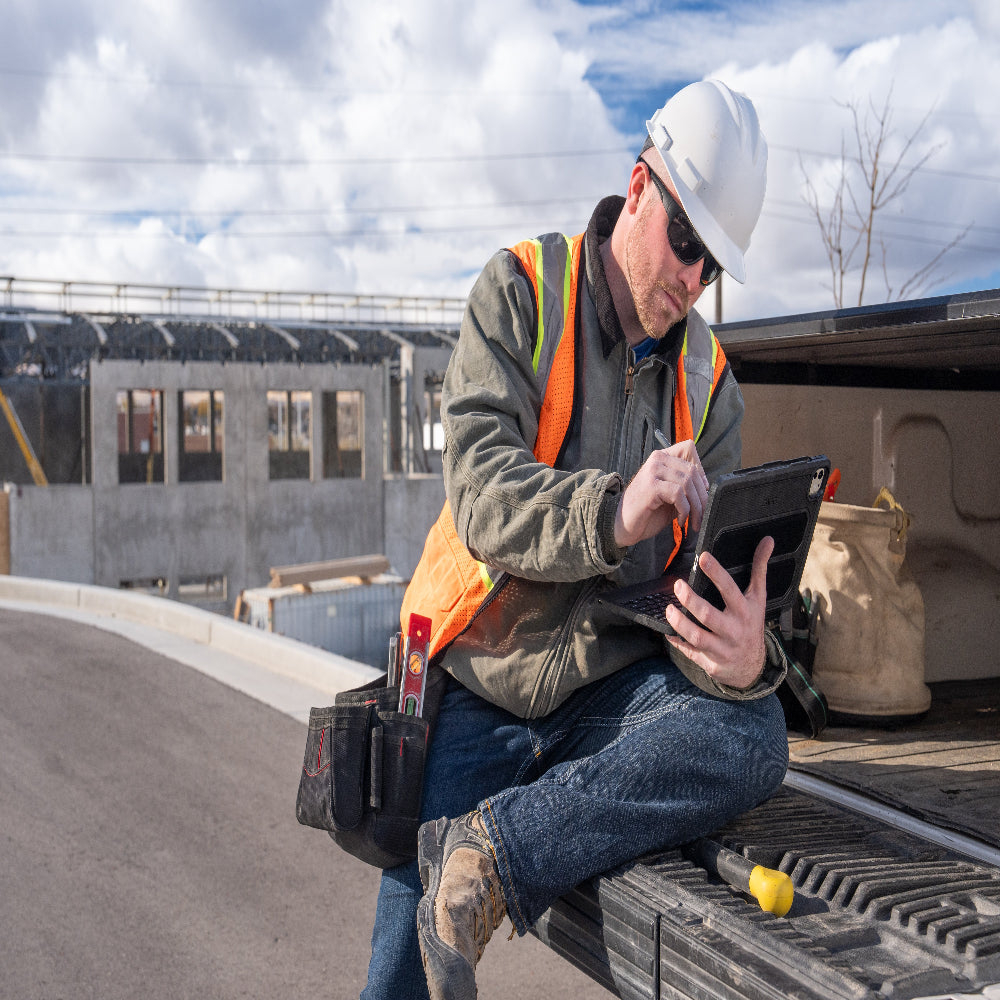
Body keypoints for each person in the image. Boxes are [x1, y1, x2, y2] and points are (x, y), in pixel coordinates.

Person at [362, 79, 791, 1000]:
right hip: (483, 682)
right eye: (686, 244)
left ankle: (490, 856)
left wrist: (747, 654)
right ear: (640, 188)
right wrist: (614, 512)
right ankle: (468, 862)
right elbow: (481, 492)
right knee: (398, 986)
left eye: (711, 265)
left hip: (608, 695)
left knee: (755, 733)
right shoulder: (518, 293)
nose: (691, 280)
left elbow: (706, 578)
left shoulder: (711, 381)